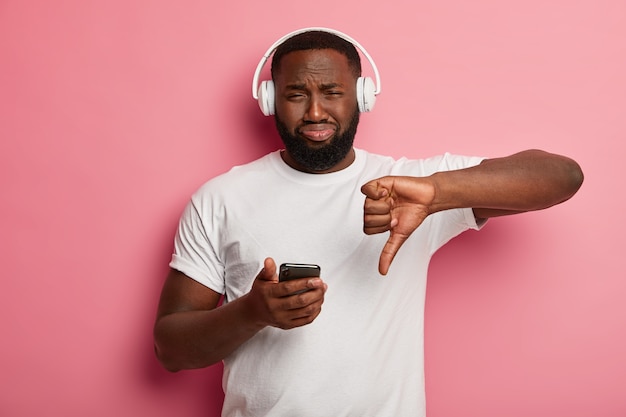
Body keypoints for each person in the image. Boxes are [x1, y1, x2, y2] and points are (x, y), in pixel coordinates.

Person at [153, 28, 583, 417]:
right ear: (270, 99)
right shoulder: (220, 199)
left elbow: (561, 177)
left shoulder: (413, 186)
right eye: (296, 94)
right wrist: (251, 312)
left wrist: (436, 193)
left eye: (332, 92)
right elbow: (170, 348)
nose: (315, 112)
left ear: (362, 95)